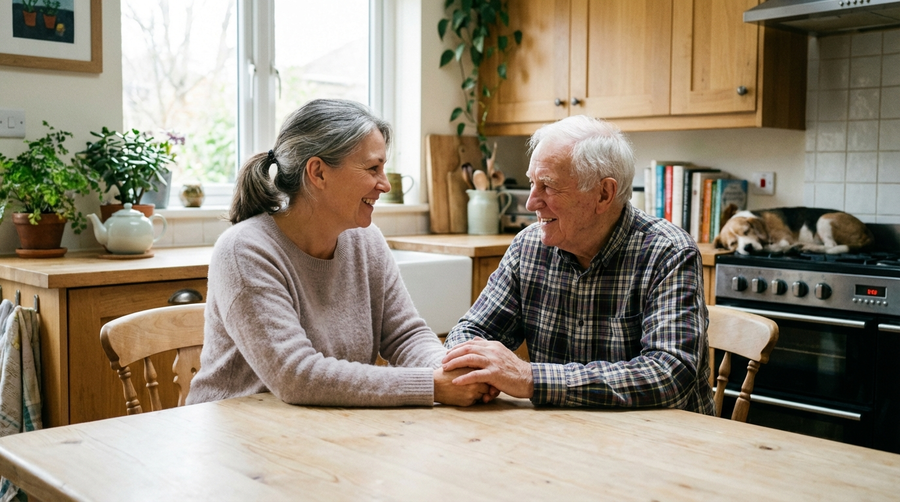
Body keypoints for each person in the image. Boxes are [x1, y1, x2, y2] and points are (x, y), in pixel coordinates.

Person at [187, 99, 488, 407]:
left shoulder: (365, 240)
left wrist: (451, 371)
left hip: (320, 429)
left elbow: (405, 335)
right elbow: (296, 376)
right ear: (318, 172)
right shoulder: (244, 251)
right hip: (234, 438)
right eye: (373, 168)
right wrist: (432, 385)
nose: (384, 184)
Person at [442, 115, 715, 414]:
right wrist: (472, 366)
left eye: (547, 186)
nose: (531, 203)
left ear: (603, 194)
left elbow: (669, 375)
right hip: (561, 436)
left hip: (662, 446)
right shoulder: (528, 246)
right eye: (533, 182)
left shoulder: (668, 252)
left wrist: (530, 378)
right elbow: (473, 331)